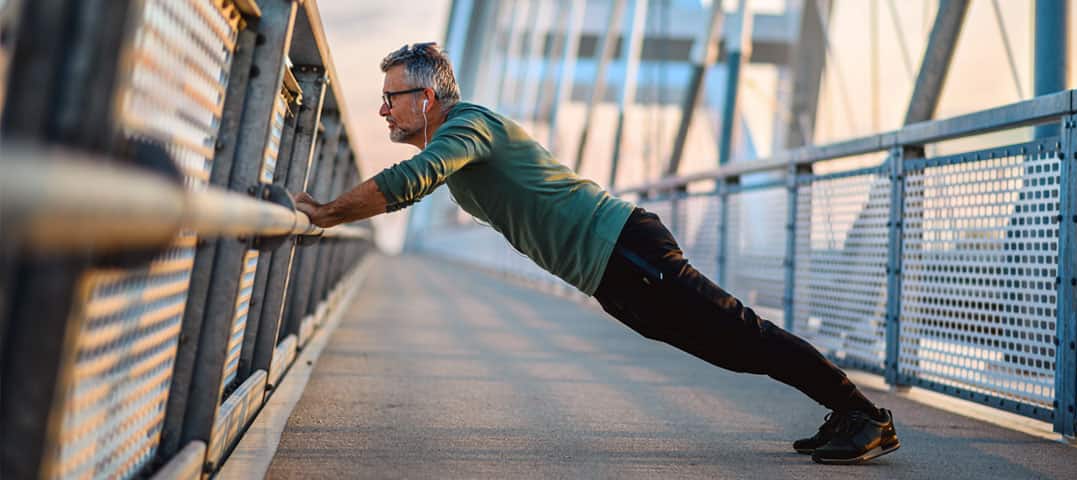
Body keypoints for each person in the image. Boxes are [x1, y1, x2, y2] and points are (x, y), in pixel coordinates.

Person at [292, 42, 900, 465]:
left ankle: (864, 415)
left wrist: (324, 212)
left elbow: (410, 182)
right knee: (732, 350)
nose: (383, 110)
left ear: (427, 98)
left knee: (744, 334)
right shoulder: (461, 134)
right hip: (612, 275)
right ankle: (843, 414)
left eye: (391, 97)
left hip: (626, 249)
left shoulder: (468, 125)